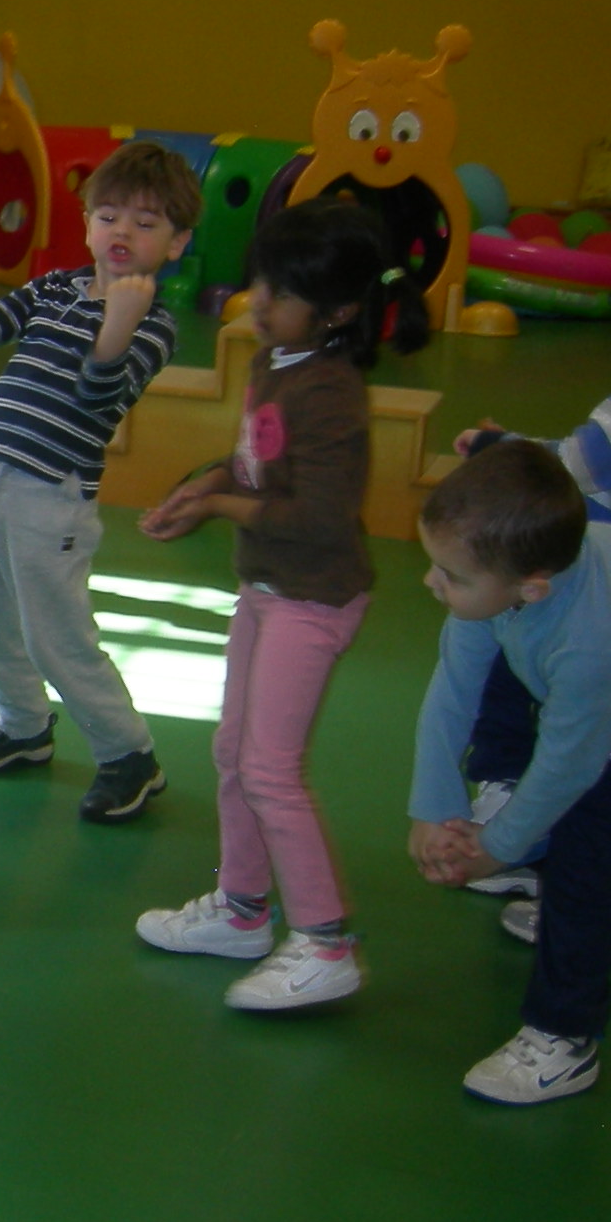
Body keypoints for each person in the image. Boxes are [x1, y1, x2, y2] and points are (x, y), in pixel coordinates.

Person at [133, 200, 430, 1008]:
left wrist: (222, 507)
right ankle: (242, 910)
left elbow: (320, 518)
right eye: (262, 280)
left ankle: (328, 944)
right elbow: (256, 467)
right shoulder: (277, 361)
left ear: (335, 312)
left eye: (284, 291)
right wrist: (204, 488)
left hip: (312, 600)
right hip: (266, 590)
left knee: (271, 770)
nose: (261, 301)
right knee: (234, 753)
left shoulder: (330, 393)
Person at [0, 140, 203, 822]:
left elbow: (95, 402)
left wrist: (116, 329)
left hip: (47, 497)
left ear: (176, 244)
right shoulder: (54, 285)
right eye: (109, 215)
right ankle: (23, 725)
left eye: (146, 224)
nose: (122, 232)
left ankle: (129, 755)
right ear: (86, 222)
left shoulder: (153, 321)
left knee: (57, 636)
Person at [406, 441, 611, 1104]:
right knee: (512, 711)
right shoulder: (505, 581)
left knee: (583, 851)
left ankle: (564, 1036)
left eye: (451, 577)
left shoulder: (592, 637)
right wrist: (432, 808)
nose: (433, 583)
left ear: (531, 587)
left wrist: (499, 847)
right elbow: (452, 689)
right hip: (602, 694)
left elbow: (570, 764)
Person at [443, 217, 611, 902]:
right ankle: (597, 891)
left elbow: (569, 469)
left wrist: (499, 452)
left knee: (534, 694)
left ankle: (513, 812)